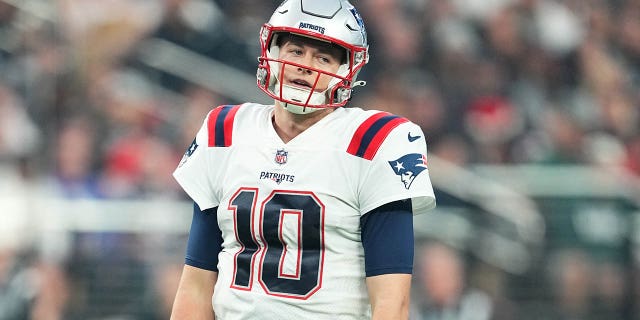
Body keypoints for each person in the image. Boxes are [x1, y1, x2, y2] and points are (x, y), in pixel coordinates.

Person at [170, 0, 436, 319]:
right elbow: (197, 283)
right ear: (272, 52)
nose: (305, 65)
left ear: (346, 72)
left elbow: (392, 301)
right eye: (296, 51)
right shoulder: (225, 131)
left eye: (322, 57)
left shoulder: (377, 141)